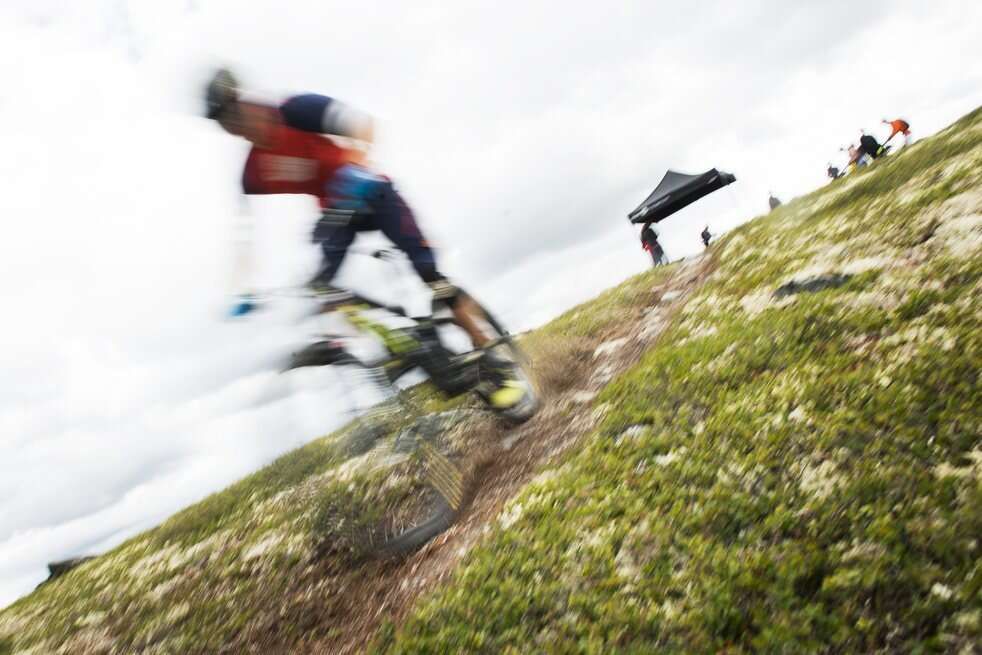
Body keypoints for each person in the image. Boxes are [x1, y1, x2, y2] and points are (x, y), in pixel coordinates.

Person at [204, 68, 529, 410]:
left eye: (234, 113)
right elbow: (247, 234)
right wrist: (245, 288)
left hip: (373, 193)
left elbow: (363, 127)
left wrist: (356, 165)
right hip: (336, 214)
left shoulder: (296, 110)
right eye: (225, 123)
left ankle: (491, 354)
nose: (235, 126)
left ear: (245, 102)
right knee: (322, 288)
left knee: (428, 271)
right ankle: (401, 351)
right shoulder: (253, 172)